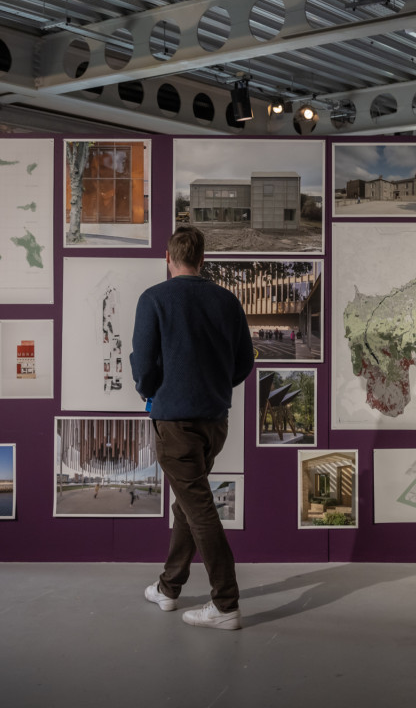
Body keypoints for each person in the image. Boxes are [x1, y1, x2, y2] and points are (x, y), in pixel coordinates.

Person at [131, 226, 253, 631]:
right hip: (215, 421)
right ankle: (168, 588)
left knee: (198, 509)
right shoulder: (227, 301)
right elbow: (243, 364)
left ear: (168, 258)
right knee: (188, 503)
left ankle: (226, 604)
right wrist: (214, 388)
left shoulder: (154, 298)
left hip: (175, 422)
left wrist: (153, 392)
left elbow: (143, 367)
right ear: (203, 260)